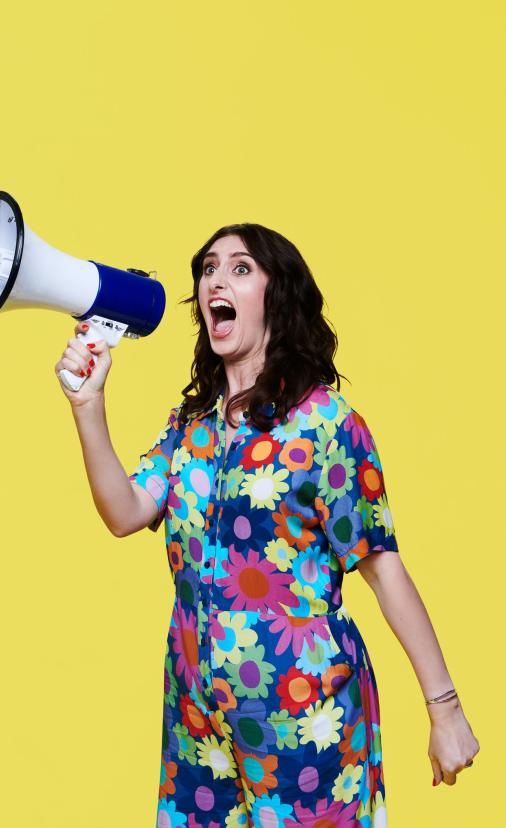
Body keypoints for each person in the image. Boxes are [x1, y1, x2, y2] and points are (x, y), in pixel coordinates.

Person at [55, 224, 479, 826]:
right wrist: (87, 407)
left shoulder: (327, 425)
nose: (216, 280)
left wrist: (446, 710)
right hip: (199, 721)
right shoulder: (190, 425)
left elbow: (383, 570)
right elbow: (124, 513)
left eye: (240, 268)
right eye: (207, 269)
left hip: (306, 719)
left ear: (276, 297)